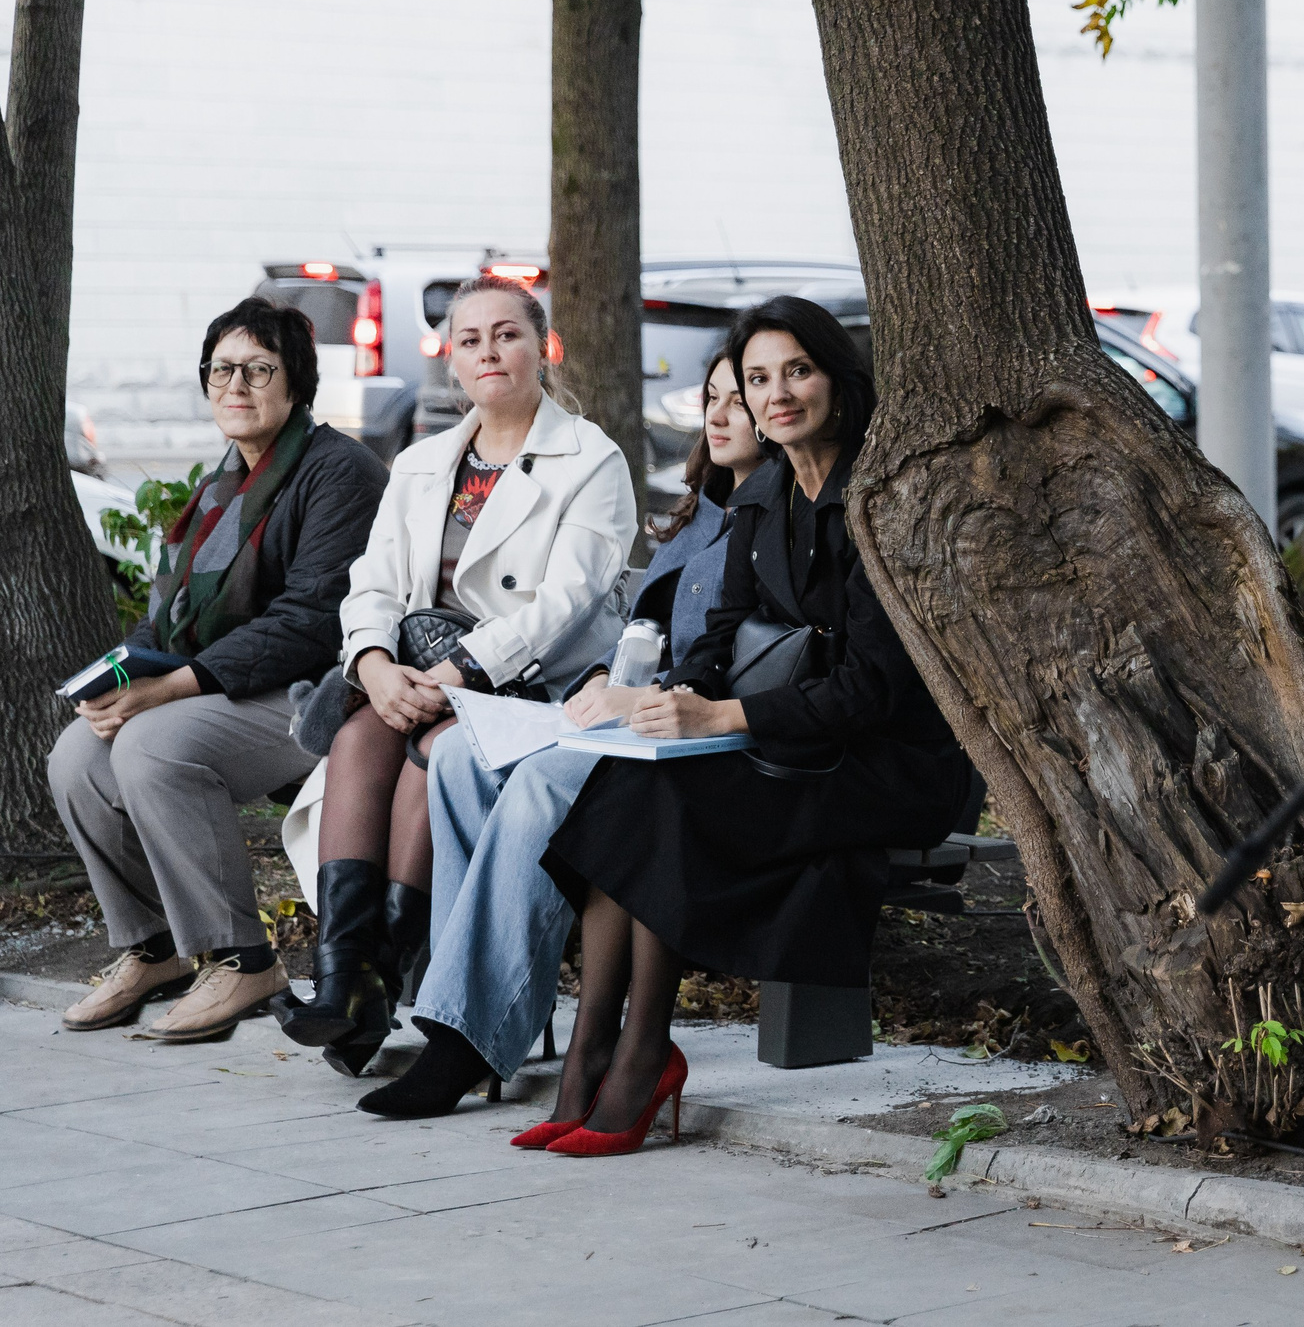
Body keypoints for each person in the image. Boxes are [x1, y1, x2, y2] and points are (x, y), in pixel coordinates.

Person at [529, 296, 978, 1156]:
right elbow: (723, 629)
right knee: (634, 778)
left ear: (837, 382)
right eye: (758, 379)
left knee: (669, 807)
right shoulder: (765, 492)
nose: (777, 395)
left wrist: (722, 715)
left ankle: (638, 1055)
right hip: (787, 739)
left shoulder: (881, 501)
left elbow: (874, 690)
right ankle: (598, 1048)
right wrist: (677, 705)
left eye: (796, 372)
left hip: (888, 763)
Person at [354, 353, 763, 1118]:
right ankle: (477, 1013)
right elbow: (645, 633)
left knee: (540, 784)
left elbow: (724, 662)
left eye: (742, 398)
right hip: (623, 711)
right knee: (462, 762)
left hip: (694, 740)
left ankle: (464, 1039)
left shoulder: (766, 518)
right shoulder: (701, 511)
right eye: (712, 397)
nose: (721, 413)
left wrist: (632, 690)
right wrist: (608, 682)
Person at [279, 275, 635, 1075]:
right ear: (452, 359)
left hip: (532, 687)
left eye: (506, 334)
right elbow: (369, 583)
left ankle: (390, 969)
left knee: (424, 752)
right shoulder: (421, 462)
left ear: (542, 347)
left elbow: (565, 603)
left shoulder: (591, 459)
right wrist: (373, 665)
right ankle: (347, 980)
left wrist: (455, 673)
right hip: (414, 676)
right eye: (469, 339)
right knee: (363, 736)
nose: (488, 352)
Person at [47, 298, 387, 1041]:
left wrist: (168, 689)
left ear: (295, 383)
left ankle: (243, 959)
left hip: (329, 698)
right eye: (221, 370)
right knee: (78, 755)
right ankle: (158, 948)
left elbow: (312, 623)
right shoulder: (221, 481)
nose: (236, 384)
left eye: (258, 369)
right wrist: (116, 684)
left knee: (154, 744)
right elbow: (168, 617)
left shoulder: (338, 473)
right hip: (231, 693)